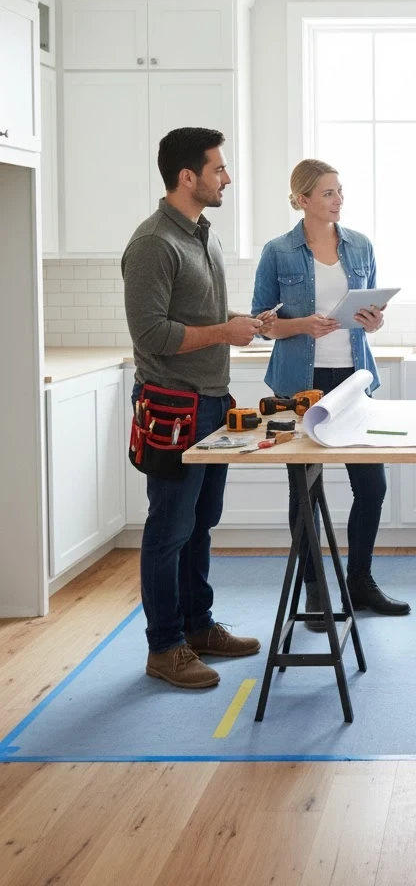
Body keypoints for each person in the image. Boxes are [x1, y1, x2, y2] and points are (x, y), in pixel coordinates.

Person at [122, 127, 273, 689]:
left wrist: (240, 327)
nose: (226, 178)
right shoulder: (153, 243)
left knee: (201, 524)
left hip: (210, 404)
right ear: (188, 177)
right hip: (172, 409)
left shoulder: (202, 234)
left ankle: (197, 626)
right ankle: (165, 647)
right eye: (218, 169)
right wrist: (222, 333)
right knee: (169, 529)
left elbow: (200, 317)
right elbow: (152, 333)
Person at [252, 159, 409, 626]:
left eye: (340, 191)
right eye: (327, 193)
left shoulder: (359, 244)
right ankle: (316, 589)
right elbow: (262, 323)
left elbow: (373, 312)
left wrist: (375, 320)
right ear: (303, 200)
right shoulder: (278, 251)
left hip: (354, 381)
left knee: (372, 486)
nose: (338, 200)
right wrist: (302, 325)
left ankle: (360, 582)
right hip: (301, 385)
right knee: (305, 490)